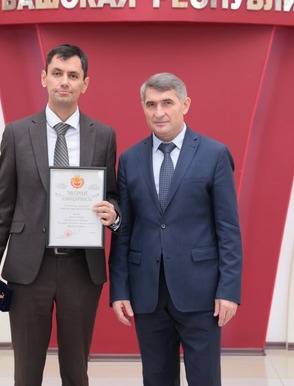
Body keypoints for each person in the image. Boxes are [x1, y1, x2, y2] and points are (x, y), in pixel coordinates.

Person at [0, 44, 120, 386]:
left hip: (81, 268)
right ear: (44, 78)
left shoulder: (103, 135)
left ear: (85, 83)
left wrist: (113, 211)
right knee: (27, 371)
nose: (64, 81)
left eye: (73, 75)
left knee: (76, 370)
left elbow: (113, 193)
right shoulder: (17, 133)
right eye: (57, 73)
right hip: (29, 268)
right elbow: (3, 204)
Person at [109, 72, 243, 386]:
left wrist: (228, 291)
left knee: (204, 379)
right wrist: (119, 290)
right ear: (143, 107)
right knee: (156, 379)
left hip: (201, 293)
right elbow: (124, 231)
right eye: (151, 104)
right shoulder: (129, 160)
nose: (159, 112)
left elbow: (228, 228)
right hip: (147, 293)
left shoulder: (214, 154)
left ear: (185, 105)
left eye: (167, 103)